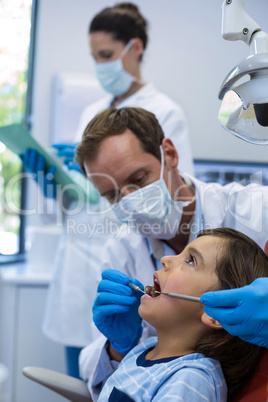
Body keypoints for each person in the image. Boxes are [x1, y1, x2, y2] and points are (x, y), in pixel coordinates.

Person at [21, 3, 194, 378]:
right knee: (80, 376)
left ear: (135, 48)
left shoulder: (165, 111)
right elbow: (84, 200)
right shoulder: (92, 112)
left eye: (106, 56)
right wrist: (53, 181)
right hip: (77, 263)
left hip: (125, 263)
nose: (100, 66)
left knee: (121, 373)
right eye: (94, 57)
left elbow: (178, 199)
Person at [74, 106, 268, 398]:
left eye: (138, 180)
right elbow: (97, 370)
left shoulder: (257, 211)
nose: (129, 201)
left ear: (170, 155)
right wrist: (118, 346)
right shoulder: (120, 251)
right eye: (112, 194)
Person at [95, 228, 268, 401]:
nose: (165, 259)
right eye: (180, 253)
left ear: (214, 313)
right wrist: (118, 350)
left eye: (191, 261)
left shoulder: (191, 379)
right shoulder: (143, 350)